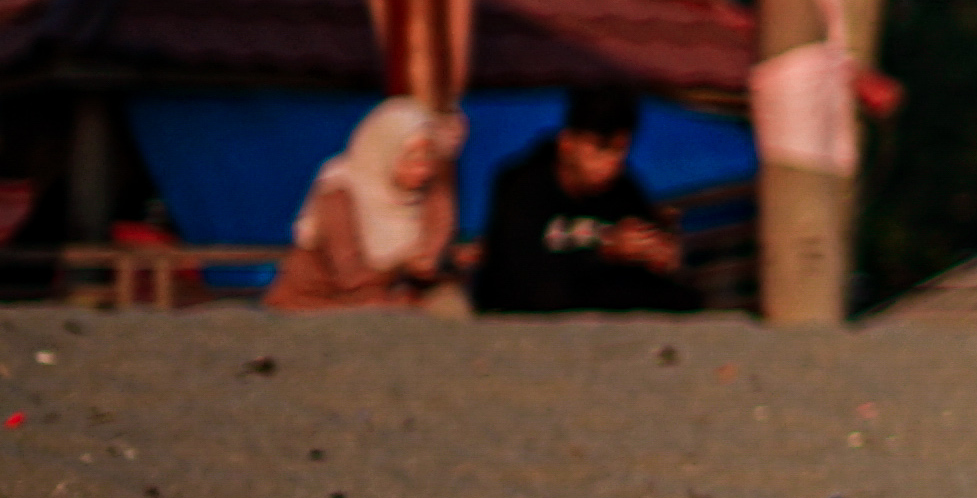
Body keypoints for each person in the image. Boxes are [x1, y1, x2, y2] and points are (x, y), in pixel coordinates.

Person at [475, 84, 699, 315]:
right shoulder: (523, 186)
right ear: (567, 144)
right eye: (600, 149)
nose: (611, 163)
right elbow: (516, 278)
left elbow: (647, 279)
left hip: (604, 328)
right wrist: (606, 250)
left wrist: (657, 255)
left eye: (620, 151)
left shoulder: (624, 190)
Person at [268, 98, 462, 312]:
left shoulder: (428, 193)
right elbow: (350, 277)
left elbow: (434, 251)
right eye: (411, 158)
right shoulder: (339, 192)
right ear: (386, 152)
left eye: (427, 158)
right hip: (315, 305)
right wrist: (403, 266)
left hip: (387, 302)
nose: (422, 170)